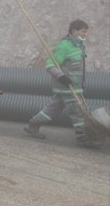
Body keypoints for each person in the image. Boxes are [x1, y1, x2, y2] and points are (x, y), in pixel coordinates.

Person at [25, 20, 102, 148]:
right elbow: (50, 65)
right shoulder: (64, 46)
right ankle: (82, 139)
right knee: (78, 113)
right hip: (67, 87)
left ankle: (32, 126)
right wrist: (61, 77)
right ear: (74, 31)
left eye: (86, 31)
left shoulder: (79, 45)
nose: (86, 34)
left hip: (75, 87)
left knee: (51, 109)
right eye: (84, 31)